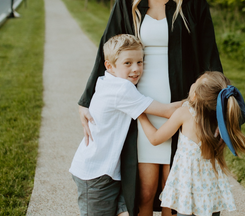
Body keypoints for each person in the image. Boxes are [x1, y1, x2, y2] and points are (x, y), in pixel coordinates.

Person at [78, 0, 223, 216]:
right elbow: (105, 52)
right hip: (140, 103)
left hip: (181, 104)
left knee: (174, 189)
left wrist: (217, 102)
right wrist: (86, 99)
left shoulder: (193, 3)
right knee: (143, 189)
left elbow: (210, 56)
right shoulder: (126, 1)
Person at [70, 34, 181, 216]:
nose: (136, 69)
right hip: (95, 174)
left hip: (109, 171)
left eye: (140, 62)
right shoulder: (122, 89)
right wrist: (195, 100)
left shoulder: (106, 80)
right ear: (109, 66)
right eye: (127, 63)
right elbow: (168, 111)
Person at [138, 71, 245, 216]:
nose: (192, 83)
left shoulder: (184, 113)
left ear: (195, 95)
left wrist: (140, 114)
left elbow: (155, 138)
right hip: (210, 190)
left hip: (187, 188)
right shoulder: (221, 121)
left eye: (195, 82)